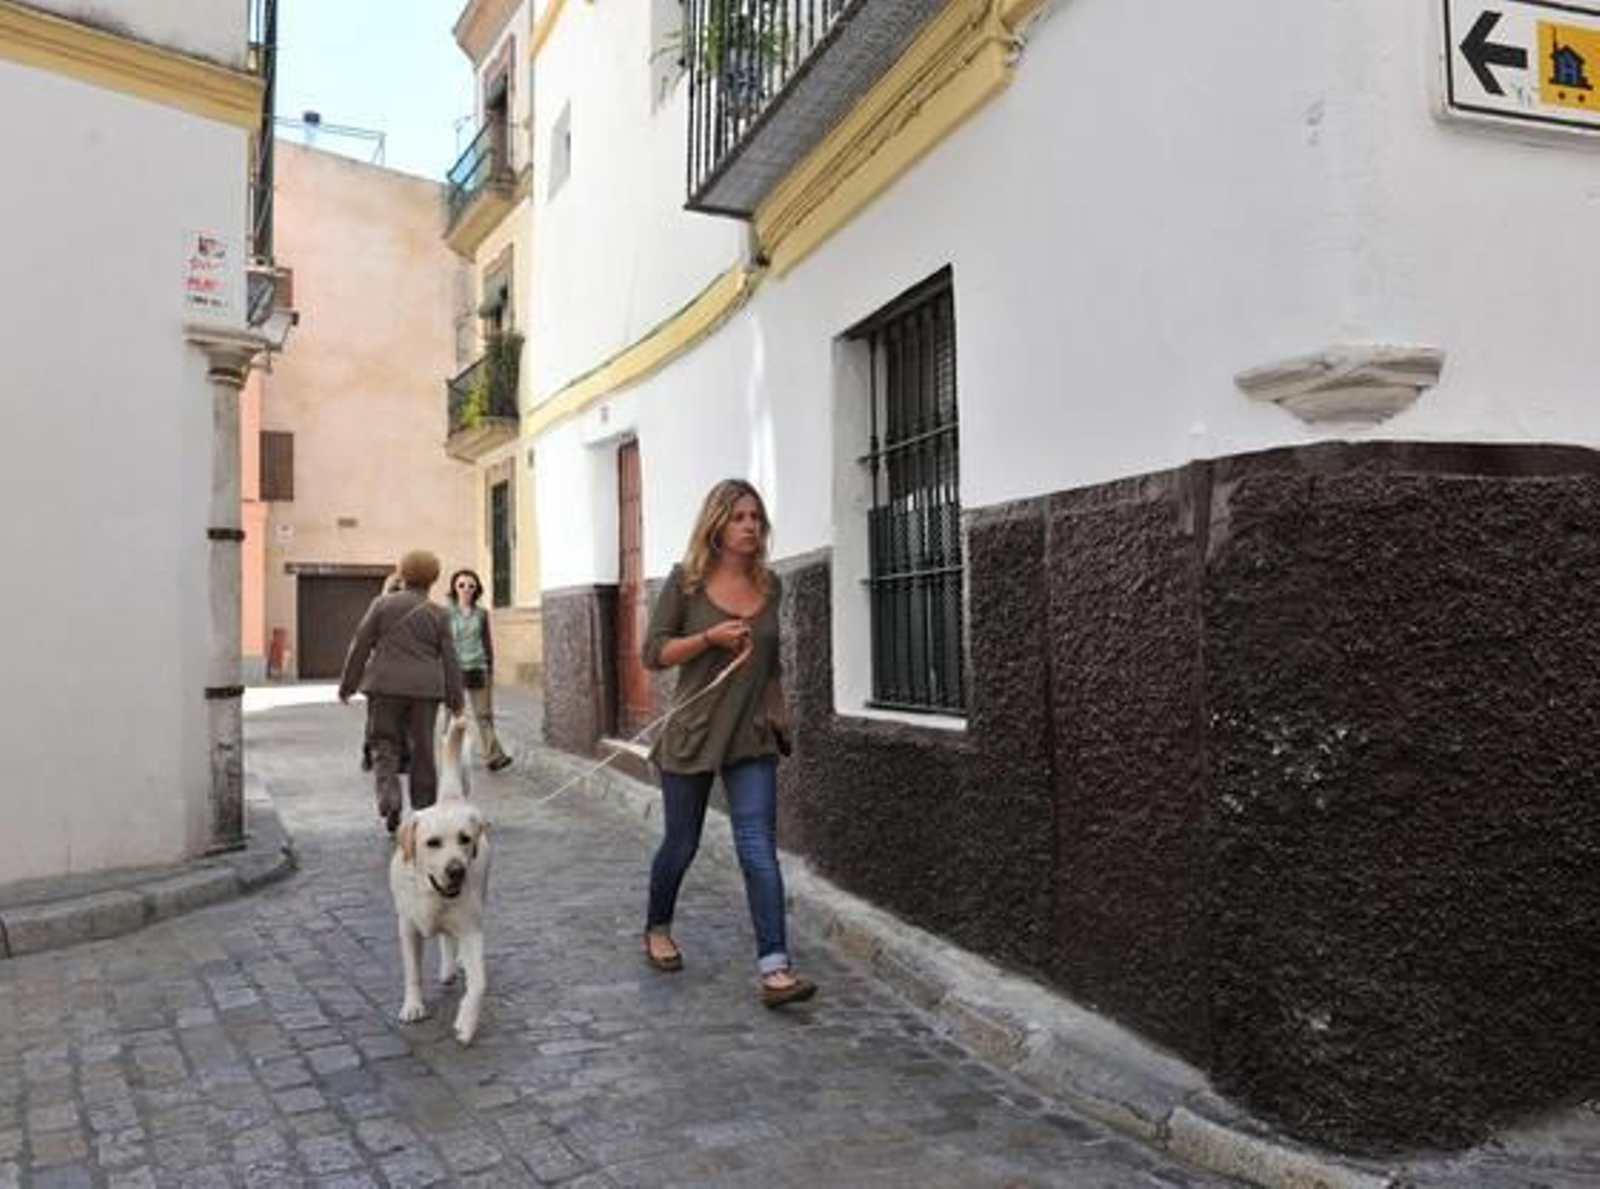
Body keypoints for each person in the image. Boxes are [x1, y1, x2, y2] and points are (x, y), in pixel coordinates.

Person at [640, 479, 816, 1008]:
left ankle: (775, 968)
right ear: (716, 524)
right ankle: (657, 927)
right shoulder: (686, 581)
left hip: (749, 736)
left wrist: (779, 714)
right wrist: (708, 639)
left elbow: (771, 663)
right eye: (739, 517)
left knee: (758, 847)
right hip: (693, 732)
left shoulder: (770, 585)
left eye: (755, 517)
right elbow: (654, 653)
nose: (749, 526)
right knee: (681, 844)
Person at [338, 549, 465, 833]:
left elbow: (360, 646)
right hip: (425, 692)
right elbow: (451, 660)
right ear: (434, 578)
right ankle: (424, 813)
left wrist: (348, 685)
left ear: (402, 574)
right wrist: (455, 700)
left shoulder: (381, 605)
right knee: (423, 750)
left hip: (384, 687)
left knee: (384, 742)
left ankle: (390, 796)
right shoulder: (439, 614)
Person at [445, 568, 513, 772]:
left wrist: (490, 669)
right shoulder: (446, 614)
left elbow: (486, 642)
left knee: (484, 715)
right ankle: (450, 757)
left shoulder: (481, 614)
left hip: (478, 666)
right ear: (454, 588)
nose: (466, 589)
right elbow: (442, 643)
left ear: (476, 589)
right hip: (454, 669)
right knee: (453, 716)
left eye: (471, 586)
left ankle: (494, 757)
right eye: (461, 585)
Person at [361, 571, 410, 774]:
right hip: (381, 672)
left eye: (401, 589)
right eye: (394, 589)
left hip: (403, 672)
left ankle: (403, 758)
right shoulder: (377, 612)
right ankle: (371, 754)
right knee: (378, 718)